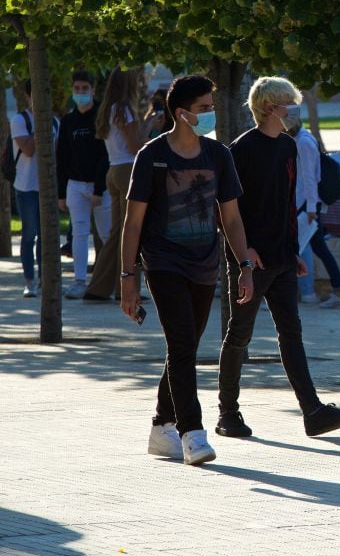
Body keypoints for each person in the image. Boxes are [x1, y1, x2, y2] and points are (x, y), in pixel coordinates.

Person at [215, 76, 340, 441]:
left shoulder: (288, 146)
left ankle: (312, 412)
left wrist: (294, 250)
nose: (292, 111)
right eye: (287, 104)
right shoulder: (241, 150)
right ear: (269, 107)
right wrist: (244, 257)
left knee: (291, 333)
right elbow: (227, 212)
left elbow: (286, 202)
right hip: (251, 259)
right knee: (239, 334)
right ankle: (227, 413)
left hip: (281, 257)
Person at [119, 75, 255, 466]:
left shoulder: (219, 156)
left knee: (185, 347)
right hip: (163, 261)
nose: (212, 113)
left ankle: (162, 425)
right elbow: (133, 223)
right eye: (204, 108)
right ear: (181, 114)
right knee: (182, 345)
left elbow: (230, 217)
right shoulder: (152, 156)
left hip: (205, 263)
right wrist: (128, 279)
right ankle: (192, 433)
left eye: (213, 106)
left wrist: (244, 264)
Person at [85, 67, 159, 302]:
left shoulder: (109, 109)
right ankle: (128, 288)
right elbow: (136, 146)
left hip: (114, 170)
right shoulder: (124, 110)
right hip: (128, 171)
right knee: (132, 231)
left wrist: (147, 122)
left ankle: (99, 286)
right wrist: (154, 132)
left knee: (118, 231)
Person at [56, 71, 111, 299]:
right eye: (77, 89)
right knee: (79, 233)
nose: (80, 93)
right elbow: (62, 158)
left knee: (107, 234)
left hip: (101, 187)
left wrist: (98, 189)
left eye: (84, 89)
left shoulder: (101, 116)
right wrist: (61, 194)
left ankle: (113, 282)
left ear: (93, 90)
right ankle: (79, 281)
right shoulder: (68, 121)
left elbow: (105, 155)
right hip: (75, 185)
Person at [289, 112, 340, 309]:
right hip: (307, 205)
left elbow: (309, 177)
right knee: (319, 249)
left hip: (306, 206)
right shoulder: (302, 139)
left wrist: (311, 208)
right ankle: (339, 291)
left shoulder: (303, 142)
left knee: (298, 247)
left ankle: (314, 293)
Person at [10, 80, 59, 297]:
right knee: (29, 235)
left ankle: (44, 280)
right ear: (28, 96)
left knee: (45, 236)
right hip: (26, 186)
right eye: (35, 95)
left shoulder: (56, 122)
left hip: (47, 187)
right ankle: (29, 281)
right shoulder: (20, 120)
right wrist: (41, 125)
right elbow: (28, 150)